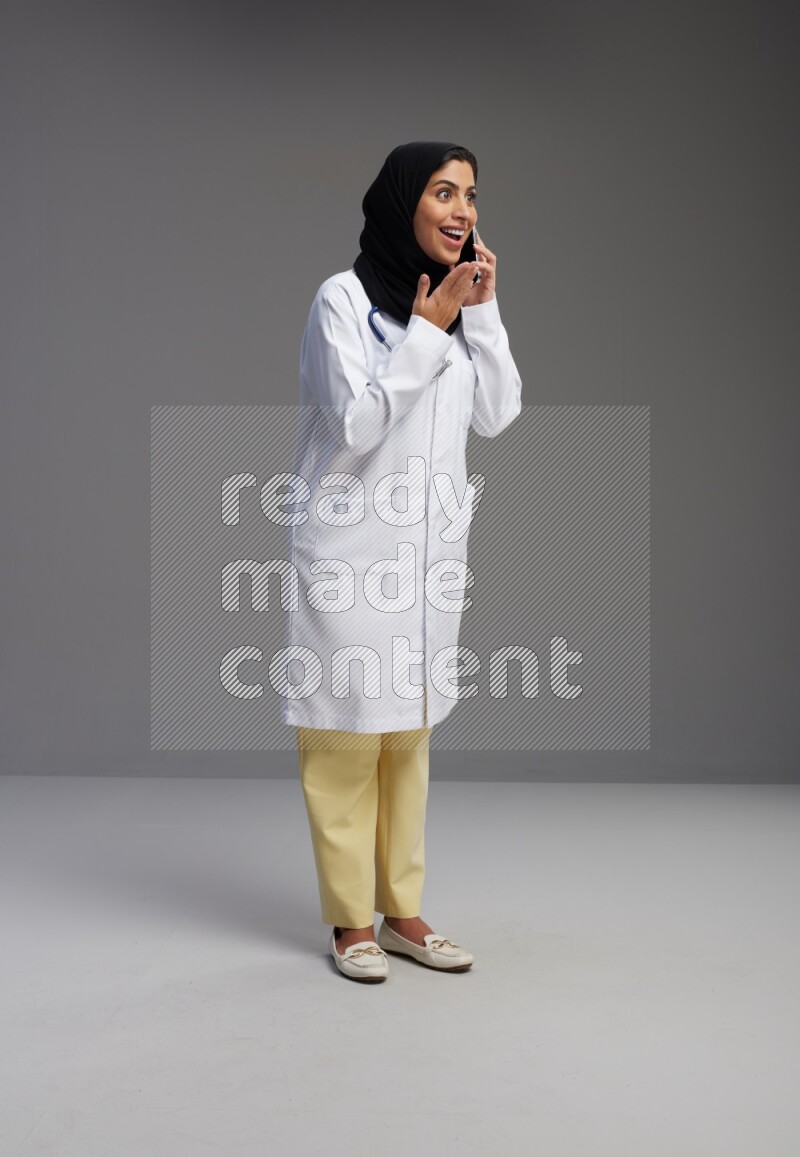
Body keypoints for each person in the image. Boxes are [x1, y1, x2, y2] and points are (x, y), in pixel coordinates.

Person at [281, 141, 522, 981]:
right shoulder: (341, 302)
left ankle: (404, 912)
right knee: (347, 736)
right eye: (445, 193)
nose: (464, 211)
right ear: (402, 205)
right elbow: (355, 423)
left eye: (472, 197)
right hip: (350, 554)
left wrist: (478, 314)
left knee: (408, 736)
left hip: (425, 561)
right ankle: (351, 922)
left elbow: (498, 413)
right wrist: (425, 329)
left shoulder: (460, 312)